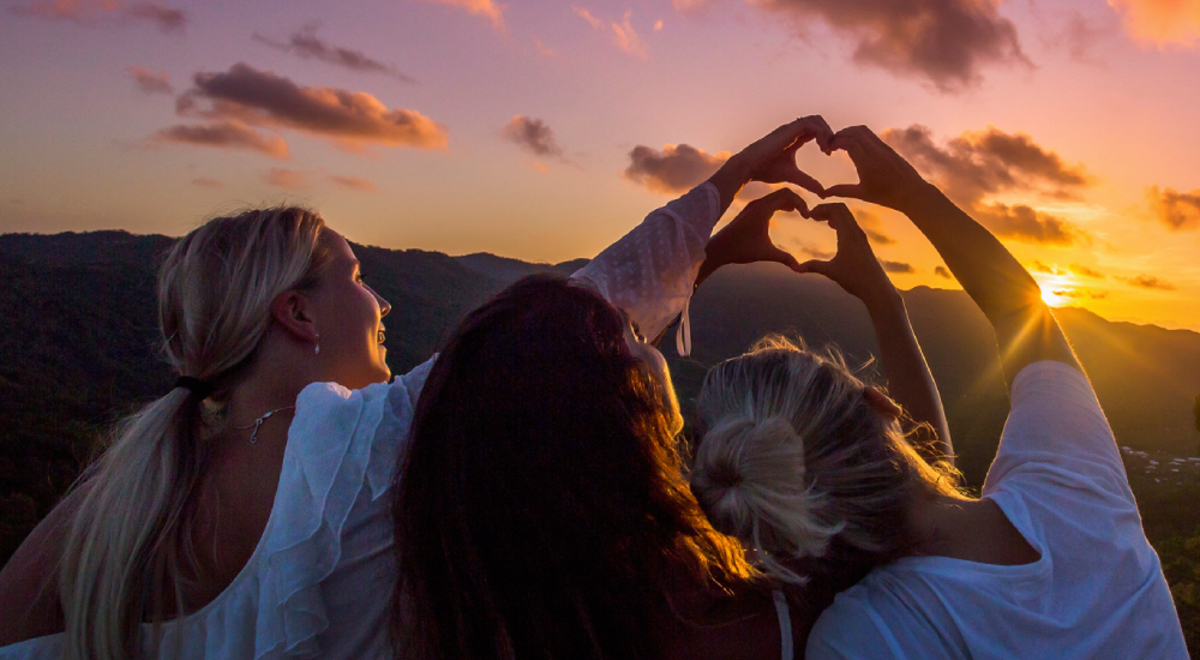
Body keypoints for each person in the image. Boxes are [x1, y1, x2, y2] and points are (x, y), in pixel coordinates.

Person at [0, 117, 830, 660]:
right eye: (357, 278)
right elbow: (578, 315)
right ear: (297, 314)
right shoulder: (358, 444)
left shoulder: (121, 495)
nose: (383, 301)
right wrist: (731, 181)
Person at [689, 125, 1189, 659]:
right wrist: (909, 194)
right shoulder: (1074, 492)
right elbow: (1022, 309)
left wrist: (703, 259)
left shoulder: (865, 634)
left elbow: (929, 501)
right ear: (881, 403)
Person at [391, 118, 842, 660]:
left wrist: (725, 218)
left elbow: (548, 346)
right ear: (611, 423)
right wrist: (885, 306)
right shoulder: (738, 611)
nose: (645, 329)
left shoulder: (480, 604)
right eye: (633, 332)